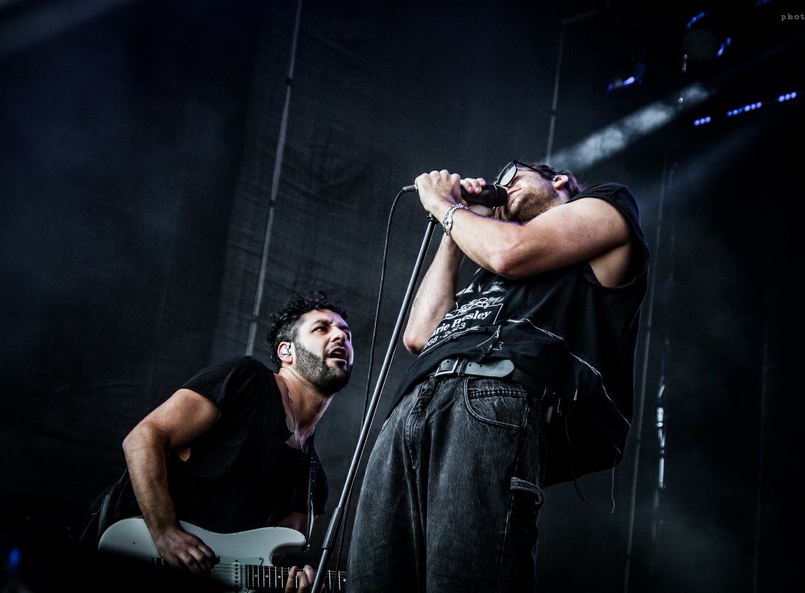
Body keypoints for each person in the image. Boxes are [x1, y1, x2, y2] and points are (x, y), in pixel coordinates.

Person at [347, 161, 650, 591]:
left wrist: (443, 205)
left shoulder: (607, 204)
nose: (500, 186)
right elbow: (420, 335)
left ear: (558, 181)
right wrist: (454, 227)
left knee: (463, 577)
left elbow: (510, 253)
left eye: (512, 176)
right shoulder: (488, 264)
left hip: (492, 394)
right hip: (412, 406)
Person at [117, 290, 354, 593]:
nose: (340, 336)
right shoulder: (247, 380)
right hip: (136, 546)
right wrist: (165, 532)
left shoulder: (314, 484)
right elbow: (143, 437)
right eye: (322, 328)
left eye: (346, 333)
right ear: (286, 351)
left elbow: (262, 570)